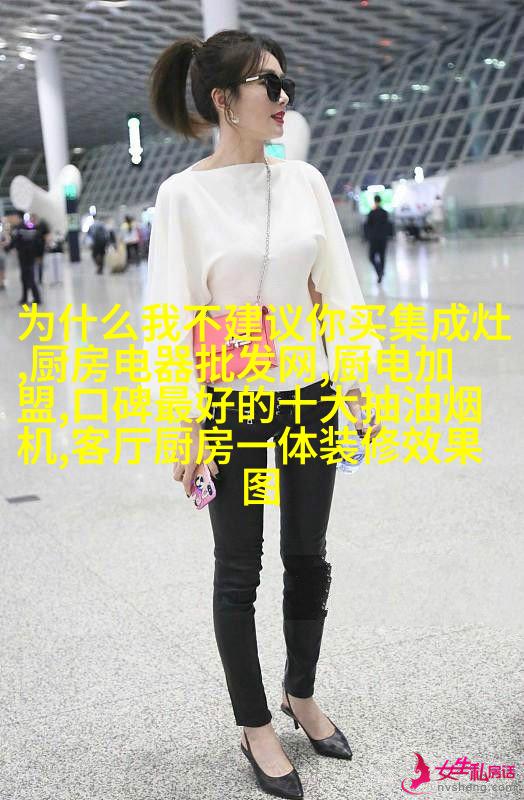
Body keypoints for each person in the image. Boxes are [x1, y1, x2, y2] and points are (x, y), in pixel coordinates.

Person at [146, 30, 382, 799]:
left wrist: (357, 382)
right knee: (238, 569)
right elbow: (167, 319)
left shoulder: (305, 180)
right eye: (267, 85)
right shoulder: (184, 197)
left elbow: (340, 290)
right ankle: (255, 724)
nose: (283, 99)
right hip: (233, 405)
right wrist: (184, 421)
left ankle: (300, 693)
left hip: (309, 397)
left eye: (285, 84)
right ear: (224, 100)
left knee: (309, 556)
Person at [4, 210, 41, 305]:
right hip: (28, 256)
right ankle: (26, 298)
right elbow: (37, 239)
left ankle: (36, 298)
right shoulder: (28, 226)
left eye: (12, 217)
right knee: (25, 277)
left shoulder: (18, 229)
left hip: (25, 256)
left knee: (28, 277)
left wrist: (6, 248)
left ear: (17, 217)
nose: (10, 219)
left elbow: (14, 242)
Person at [366, 194, 390, 284]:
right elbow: (387, 226)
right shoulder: (385, 213)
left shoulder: (371, 213)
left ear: (374, 201)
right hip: (383, 238)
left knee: (371, 257)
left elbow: (368, 226)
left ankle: (379, 271)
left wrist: (368, 237)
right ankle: (381, 271)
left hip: (374, 238)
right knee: (382, 256)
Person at [34, 215, 50, 284]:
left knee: (40, 264)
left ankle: (40, 279)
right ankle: (34, 279)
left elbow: (46, 236)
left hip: (40, 247)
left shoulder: (42, 226)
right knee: (34, 265)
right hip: (32, 249)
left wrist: (47, 244)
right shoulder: (31, 227)